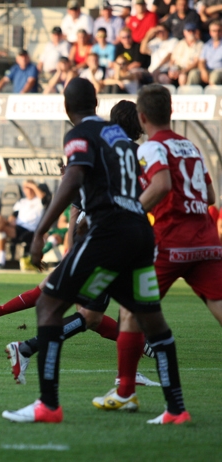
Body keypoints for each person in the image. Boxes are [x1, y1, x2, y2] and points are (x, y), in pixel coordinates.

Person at [1, 78, 189, 425]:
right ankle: (177, 409)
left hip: (108, 234)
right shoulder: (118, 135)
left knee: (49, 305)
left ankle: (48, 405)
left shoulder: (79, 134)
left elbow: (72, 178)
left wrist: (42, 230)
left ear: (66, 106)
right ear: (97, 101)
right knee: (152, 320)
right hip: (138, 234)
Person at [0, 101, 157, 389]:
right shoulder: (133, 153)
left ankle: (128, 369)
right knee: (87, 311)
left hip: (104, 240)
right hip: (116, 242)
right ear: (138, 122)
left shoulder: (98, 147)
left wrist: (69, 235)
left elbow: (77, 204)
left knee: (84, 308)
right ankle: (29, 353)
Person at [94, 84, 222, 420]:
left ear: (142, 116)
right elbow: (209, 196)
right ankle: (130, 393)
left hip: (171, 241)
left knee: (131, 312)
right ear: (171, 112)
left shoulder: (152, 148)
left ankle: (125, 393)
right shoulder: (190, 145)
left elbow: (162, 184)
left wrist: (130, 211)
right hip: (206, 240)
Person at [0, 180, 46, 270]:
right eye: (26, 188)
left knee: (0, 228)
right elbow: (13, 215)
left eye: (30, 188)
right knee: (0, 222)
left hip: (29, 230)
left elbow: (43, 197)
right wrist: (11, 221)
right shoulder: (21, 202)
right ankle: (0, 261)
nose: (28, 190)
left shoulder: (39, 201)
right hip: (17, 227)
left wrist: (32, 185)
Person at [187, 20, 222, 85]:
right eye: (214, 31)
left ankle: (214, 94)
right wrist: (203, 71)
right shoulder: (207, 45)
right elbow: (201, 61)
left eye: (219, 30)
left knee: (215, 76)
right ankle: (190, 94)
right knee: (193, 74)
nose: (216, 33)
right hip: (208, 70)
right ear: (210, 32)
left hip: (219, 70)